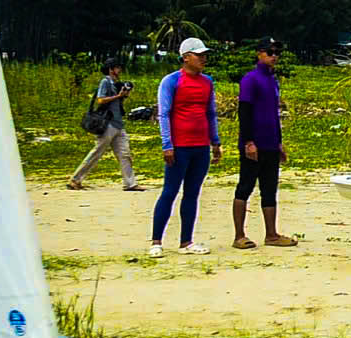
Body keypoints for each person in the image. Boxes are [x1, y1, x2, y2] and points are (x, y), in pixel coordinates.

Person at [150, 37, 222, 257]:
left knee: (192, 193)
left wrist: (215, 142)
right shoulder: (171, 81)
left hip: (200, 146)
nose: (203, 59)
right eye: (199, 55)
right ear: (186, 57)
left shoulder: (207, 81)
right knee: (169, 192)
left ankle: (186, 242)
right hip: (179, 146)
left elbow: (210, 112)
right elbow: (164, 113)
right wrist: (167, 144)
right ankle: (156, 241)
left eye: (204, 55)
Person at [232, 39, 294, 250]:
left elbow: (274, 115)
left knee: (270, 189)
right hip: (253, 144)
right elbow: (245, 112)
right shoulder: (250, 79)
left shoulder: (273, 80)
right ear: (259, 53)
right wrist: (249, 142)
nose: (274, 55)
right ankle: (239, 235)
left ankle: (272, 234)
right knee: (245, 187)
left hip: (270, 143)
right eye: (269, 52)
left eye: (277, 52)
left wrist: (279, 143)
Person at [68, 58, 140, 191]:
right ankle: (75, 179)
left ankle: (130, 183)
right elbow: (100, 100)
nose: (120, 70)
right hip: (108, 124)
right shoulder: (105, 82)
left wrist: (123, 95)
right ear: (111, 69)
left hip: (118, 124)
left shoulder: (115, 83)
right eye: (117, 67)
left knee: (125, 154)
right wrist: (118, 96)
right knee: (97, 152)